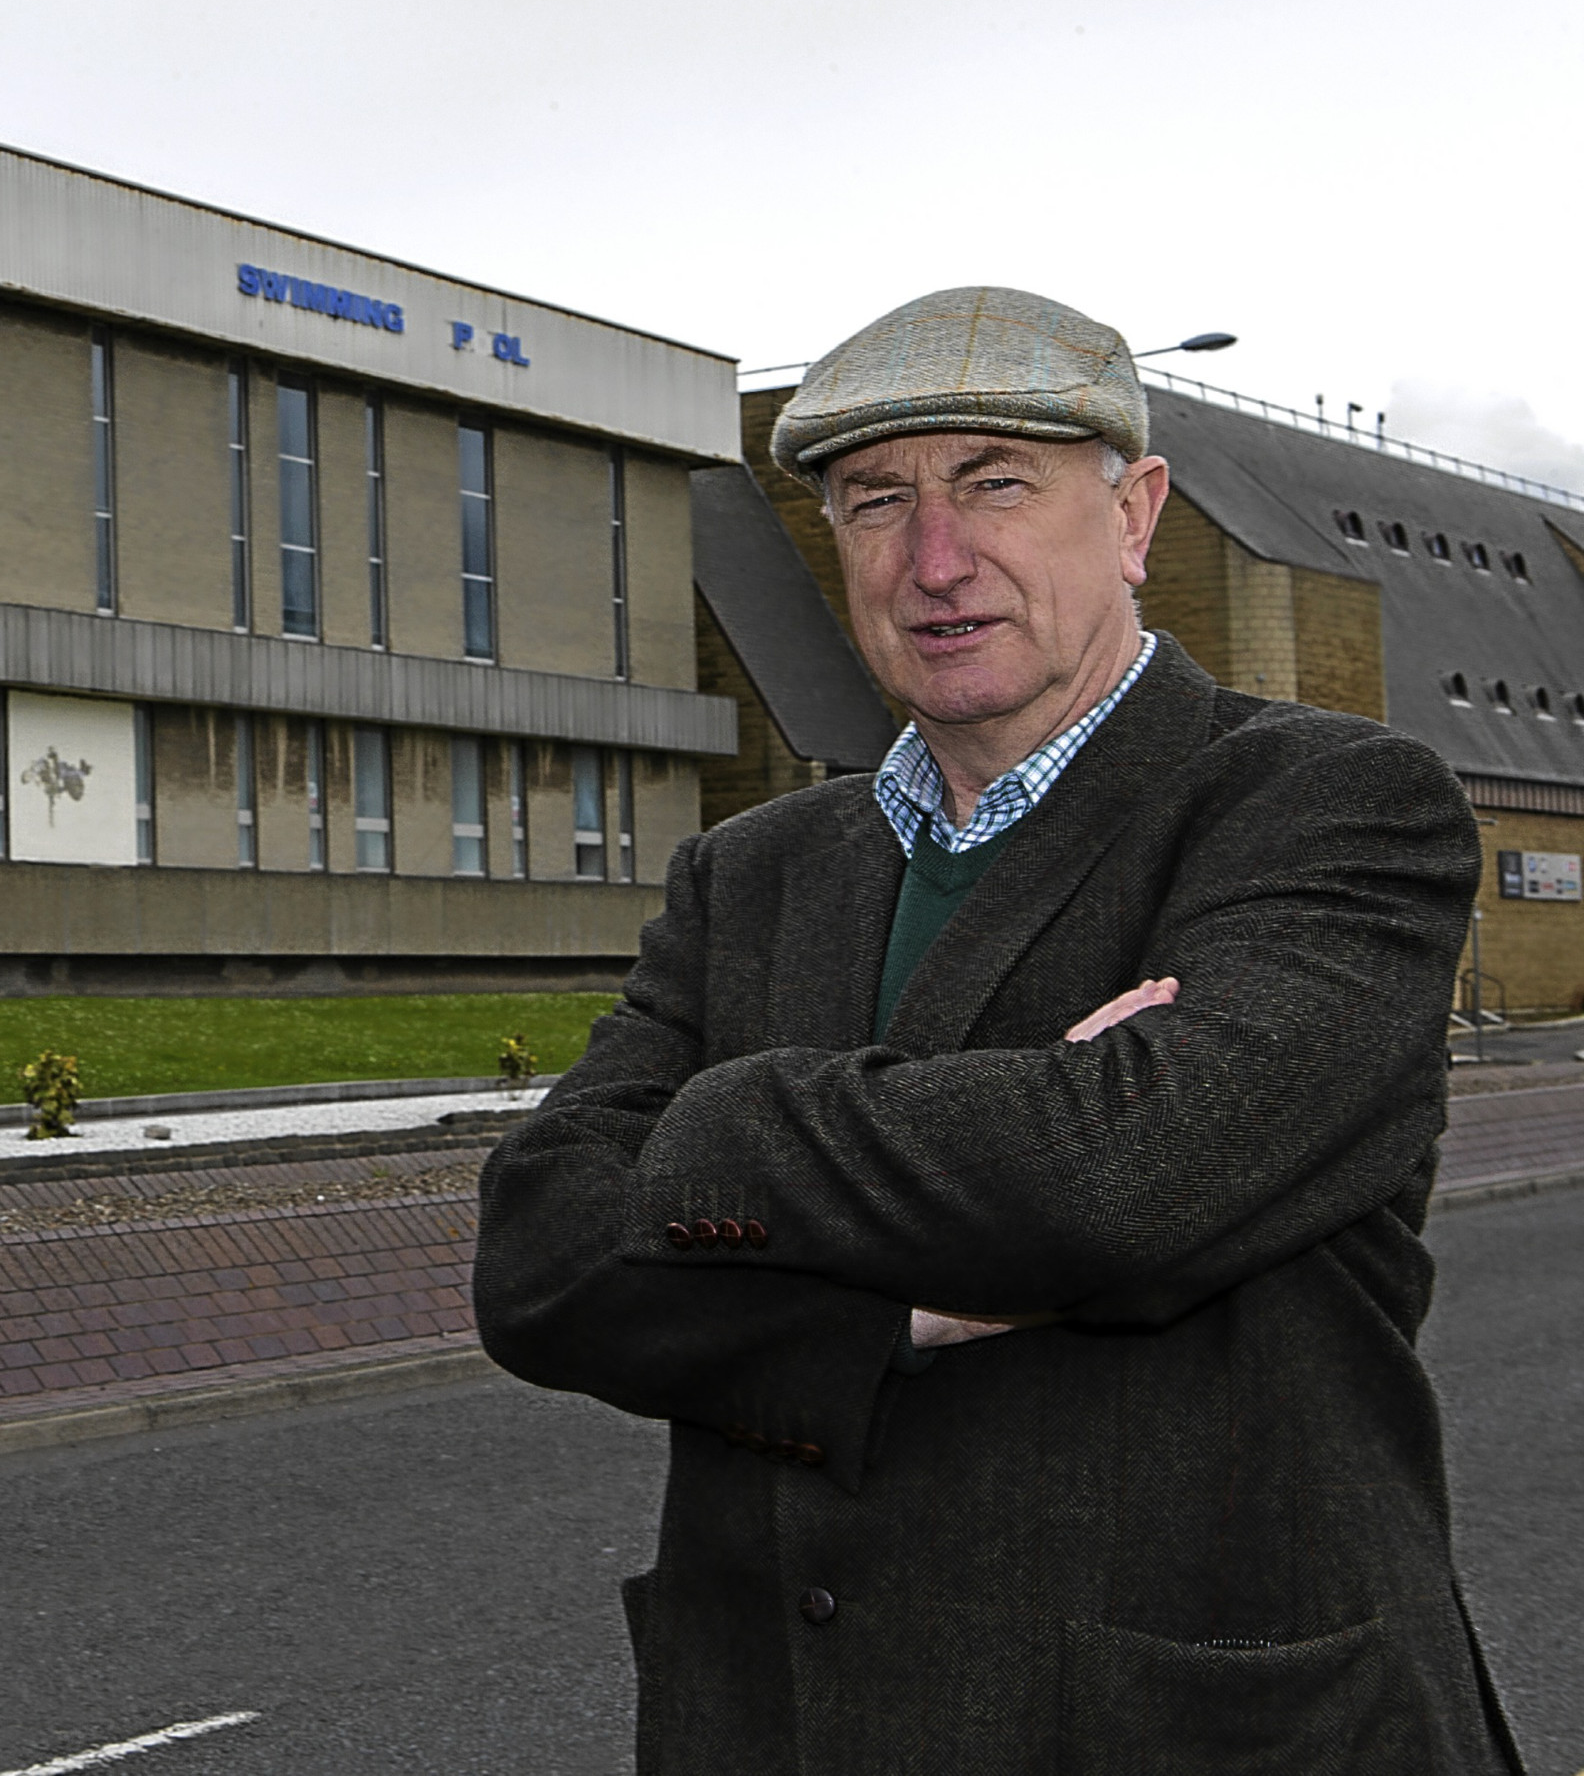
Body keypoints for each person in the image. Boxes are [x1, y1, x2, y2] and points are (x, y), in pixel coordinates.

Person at [475, 286, 1525, 1774]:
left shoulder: (1327, 806)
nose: (935, 558)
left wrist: (711, 1130)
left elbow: (1120, 1185)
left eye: (997, 485)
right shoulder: (752, 870)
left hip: (1189, 1732)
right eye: (874, 501)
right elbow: (534, 1262)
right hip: (789, 1723)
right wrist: (893, 1307)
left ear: (1136, 515)